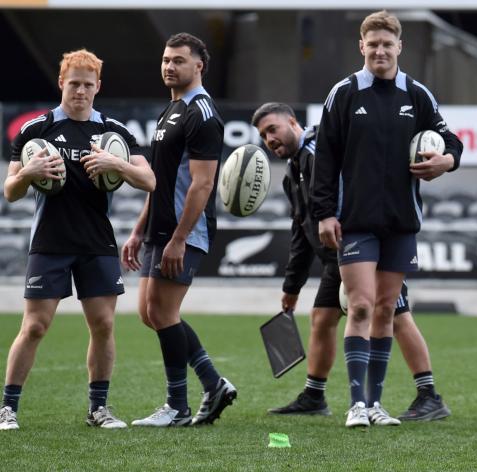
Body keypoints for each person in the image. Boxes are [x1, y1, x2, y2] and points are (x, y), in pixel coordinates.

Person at [311, 10, 463, 428]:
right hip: (355, 220)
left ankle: (375, 405)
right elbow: (324, 159)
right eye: (373, 44)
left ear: (399, 47)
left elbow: (452, 141)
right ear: (362, 47)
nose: (380, 50)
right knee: (358, 305)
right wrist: (324, 213)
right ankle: (356, 405)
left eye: (387, 44)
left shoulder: (416, 94)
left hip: (400, 221)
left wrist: (445, 161)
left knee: (384, 309)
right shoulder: (343, 93)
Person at [252, 103, 450, 421]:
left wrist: (361, 254)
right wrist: (292, 286)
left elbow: (346, 202)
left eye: (273, 129)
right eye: (263, 135)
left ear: (292, 122)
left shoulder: (319, 154)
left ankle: (429, 395)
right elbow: (302, 230)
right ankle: (314, 395)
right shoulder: (294, 171)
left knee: (396, 315)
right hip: (335, 260)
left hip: (364, 251)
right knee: (322, 318)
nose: (269, 139)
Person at [1, 49, 155, 431]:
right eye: (74, 84)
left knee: (103, 324)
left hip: (96, 241)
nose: (81, 92)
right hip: (50, 239)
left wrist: (115, 164)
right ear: (61, 83)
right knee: (35, 326)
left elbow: (149, 181)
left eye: (88, 85)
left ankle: (98, 409)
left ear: (98, 86)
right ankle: (7, 409)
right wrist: (28, 172)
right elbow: (10, 191)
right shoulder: (35, 129)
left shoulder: (114, 133)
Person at [125, 33, 237, 427]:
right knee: (149, 312)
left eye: (178, 60)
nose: (169, 66)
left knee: (162, 310)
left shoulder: (202, 113)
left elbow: (202, 184)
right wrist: (140, 230)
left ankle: (177, 406)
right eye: (166, 59)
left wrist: (178, 239)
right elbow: (159, 179)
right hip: (160, 228)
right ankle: (213, 383)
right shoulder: (170, 110)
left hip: (185, 232)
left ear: (198, 66)